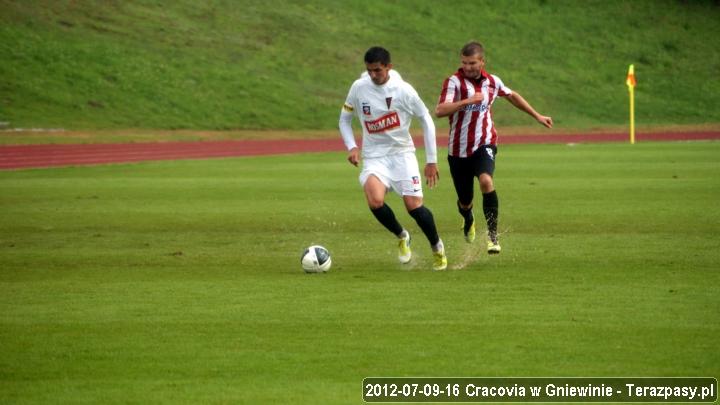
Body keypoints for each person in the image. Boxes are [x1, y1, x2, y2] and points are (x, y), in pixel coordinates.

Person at [435, 41, 553, 254]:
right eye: (464, 63)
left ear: (482, 61)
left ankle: (492, 236)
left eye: (472, 63)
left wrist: (537, 115)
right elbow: (440, 110)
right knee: (465, 201)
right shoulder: (454, 82)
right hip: (458, 150)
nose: (467, 67)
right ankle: (468, 217)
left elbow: (512, 96)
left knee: (486, 181)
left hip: (485, 143)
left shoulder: (492, 82)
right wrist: (466, 101)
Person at [339, 46, 447, 271]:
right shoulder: (359, 88)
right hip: (374, 156)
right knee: (375, 201)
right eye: (369, 70)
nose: (373, 75)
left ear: (389, 67)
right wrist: (352, 146)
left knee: (414, 207)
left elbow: (426, 120)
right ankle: (402, 235)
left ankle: (437, 246)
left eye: (377, 70)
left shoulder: (403, 90)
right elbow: (345, 119)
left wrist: (431, 160)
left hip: (402, 154)